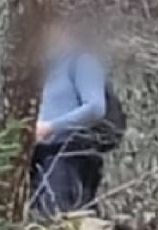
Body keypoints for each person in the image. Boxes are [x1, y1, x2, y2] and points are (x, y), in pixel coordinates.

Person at [31, 21, 112, 217]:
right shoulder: (46, 68)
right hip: (40, 153)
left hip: (68, 155)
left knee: (58, 216)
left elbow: (95, 108)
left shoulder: (83, 61)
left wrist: (51, 127)